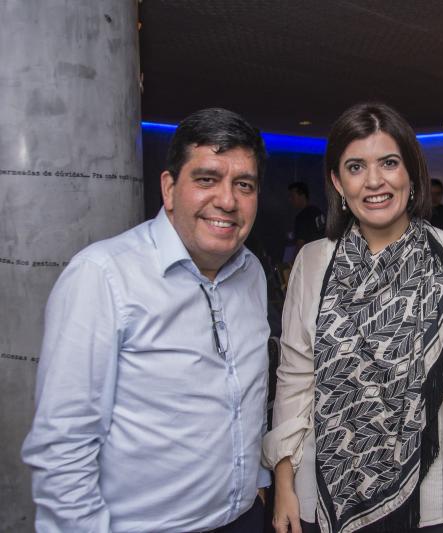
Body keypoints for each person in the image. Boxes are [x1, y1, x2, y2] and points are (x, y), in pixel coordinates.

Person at [263, 102, 443, 533]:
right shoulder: (313, 262)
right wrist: (284, 480)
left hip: (431, 506)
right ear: (338, 182)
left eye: (389, 163)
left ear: (412, 173)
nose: (374, 181)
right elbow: (295, 378)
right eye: (356, 167)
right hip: (321, 499)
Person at [22, 108, 272, 532]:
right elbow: (63, 445)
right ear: (169, 188)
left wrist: (258, 484)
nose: (228, 201)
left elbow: (247, 396)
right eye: (207, 179)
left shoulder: (252, 273)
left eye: (243, 185)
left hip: (242, 520)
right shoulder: (103, 275)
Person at [288, 181, 325, 256]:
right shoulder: (318, 212)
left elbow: (300, 245)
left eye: (292, 196)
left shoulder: (301, 217)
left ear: (302, 195)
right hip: (324, 254)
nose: (290, 199)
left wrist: (294, 261)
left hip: (310, 258)